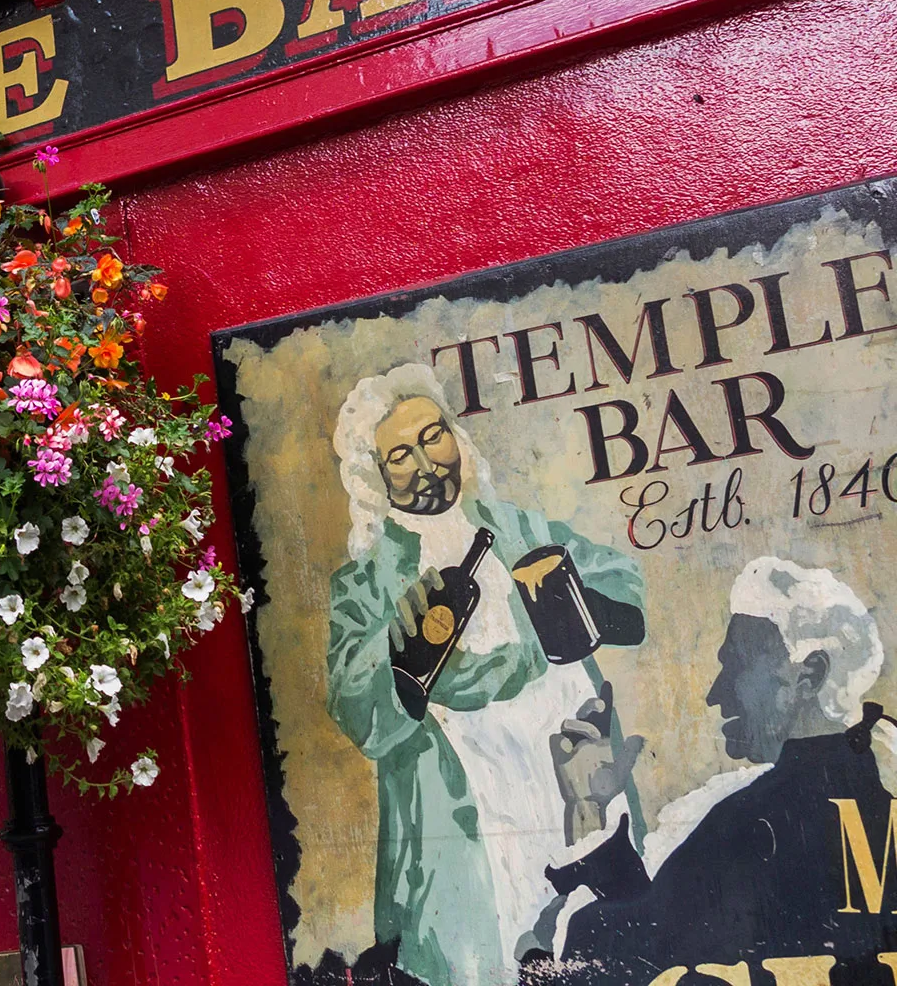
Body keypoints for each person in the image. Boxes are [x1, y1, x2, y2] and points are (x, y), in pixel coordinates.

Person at [326, 364, 646, 986]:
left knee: (600, 948)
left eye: (433, 436)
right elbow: (357, 710)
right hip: (466, 804)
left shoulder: (520, 528)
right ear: (374, 475)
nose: (425, 463)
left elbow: (624, 588)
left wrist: (579, 605)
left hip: (569, 772)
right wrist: (401, 657)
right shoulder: (363, 587)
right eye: (399, 454)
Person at [555, 557, 897, 972]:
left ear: (809, 674)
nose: (715, 694)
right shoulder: (877, 798)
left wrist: (588, 813)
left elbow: (615, 955)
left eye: (736, 663)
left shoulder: (747, 825)